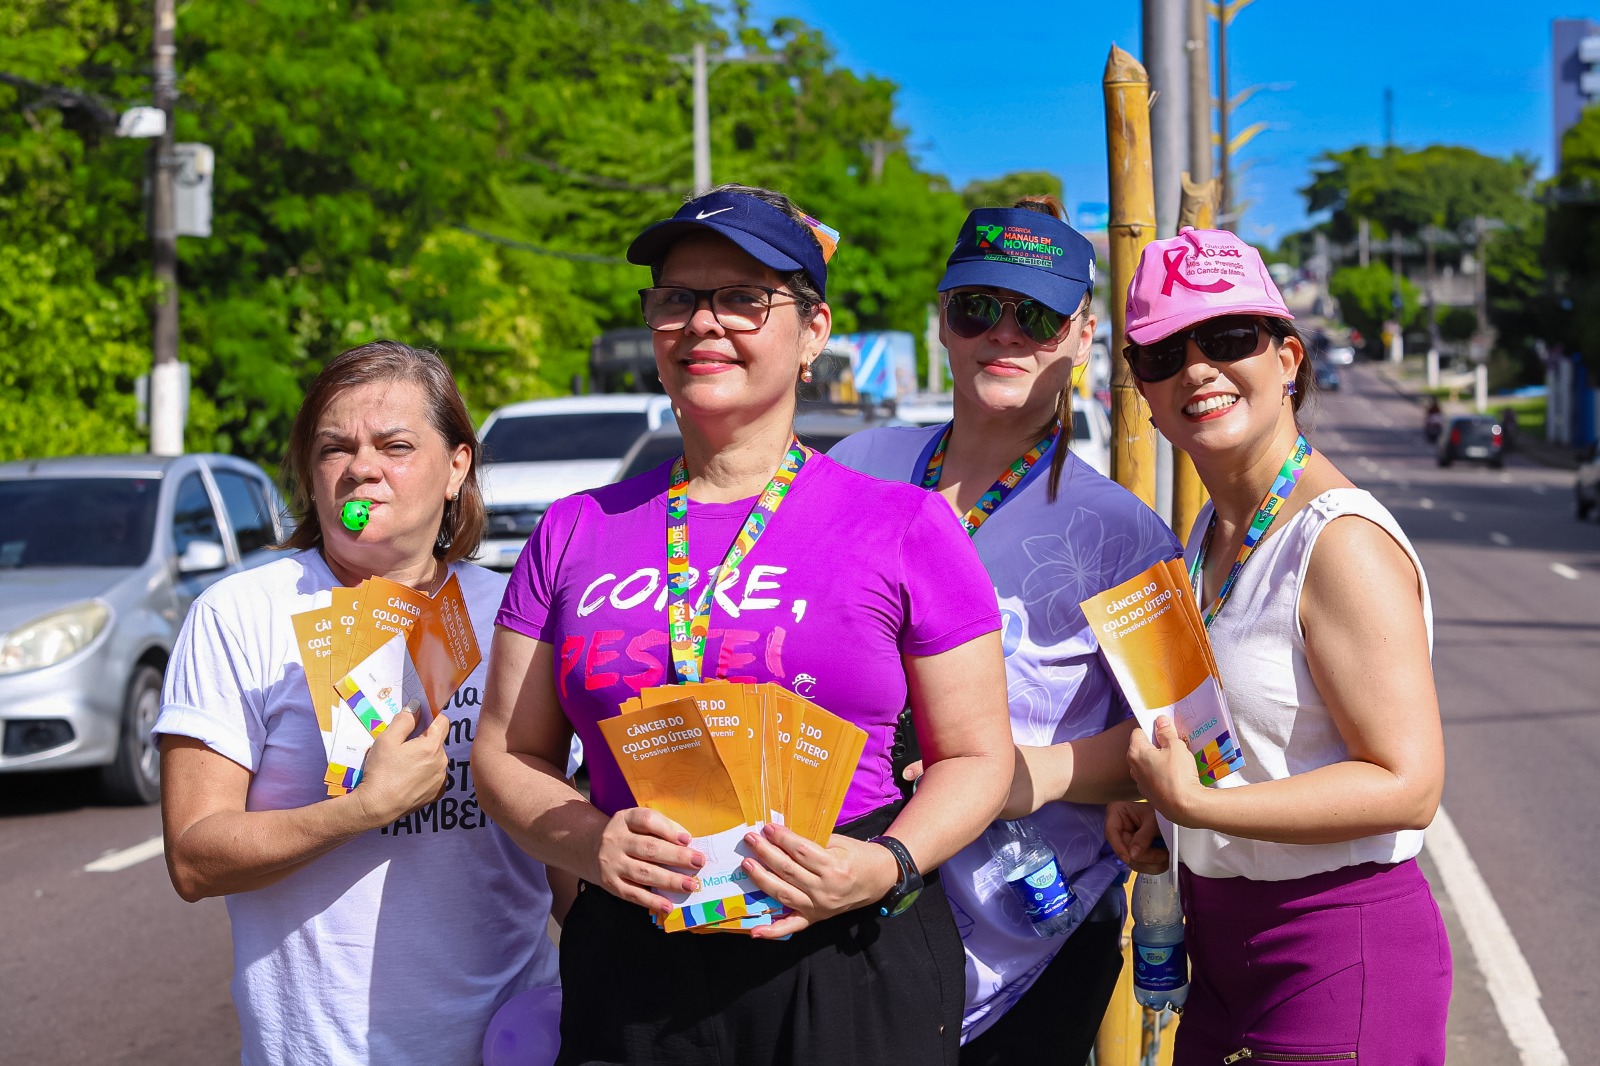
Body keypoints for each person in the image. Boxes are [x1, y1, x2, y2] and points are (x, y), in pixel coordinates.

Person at [473, 183, 1015, 1066]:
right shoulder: (574, 530)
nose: (702, 323)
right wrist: (589, 840)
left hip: (846, 946)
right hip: (637, 959)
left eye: (742, 298)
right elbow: (507, 752)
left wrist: (884, 867)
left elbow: (980, 757)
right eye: (677, 299)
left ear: (812, 332)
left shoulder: (906, 526)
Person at [830, 196, 1180, 1064]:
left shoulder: (1125, 534)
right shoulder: (857, 466)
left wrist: (1027, 775)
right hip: (842, 900)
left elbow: (1187, 735)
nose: (1005, 333)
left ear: (1083, 336)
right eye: (977, 307)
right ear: (943, 321)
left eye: (1039, 314)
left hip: (1029, 940)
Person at [156, 341, 564, 1066]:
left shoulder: (514, 614)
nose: (362, 467)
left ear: (457, 467)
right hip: (322, 1050)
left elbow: (554, 846)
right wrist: (360, 810)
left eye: (396, 445)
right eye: (334, 448)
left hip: (512, 1038)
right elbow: (195, 859)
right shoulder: (241, 614)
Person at [1104, 228, 1451, 1065]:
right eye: (1160, 354)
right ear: (1143, 392)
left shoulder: (1338, 541)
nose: (1195, 370)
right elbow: (1255, 751)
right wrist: (1168, 820)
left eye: (1226, 340)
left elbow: (1407, 787)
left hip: (1337, 947)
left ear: (1288, 357)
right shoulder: (1211, 533)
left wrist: (1202, 808)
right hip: (1219, 946)